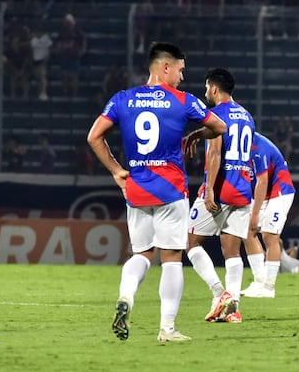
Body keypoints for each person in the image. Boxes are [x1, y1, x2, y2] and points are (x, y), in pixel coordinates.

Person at [86, 41, 226, 343]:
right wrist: (197, 133)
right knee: (172, 257)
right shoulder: (183, 100)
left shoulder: (123, 99)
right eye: (180, 69)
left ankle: (126, 297)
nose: (182, 77)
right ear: (165, 67)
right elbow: (220, 127)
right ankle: (167, 328)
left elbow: (94, 136)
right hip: (171, 190)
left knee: (142, 254)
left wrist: (115, 170)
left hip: (136, 188)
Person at [182, 68, 255, 324]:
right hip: (243, 189)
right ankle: (232, 307)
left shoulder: (213, 114)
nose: (205, 93)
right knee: (232, 252)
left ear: (213, 88)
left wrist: (210, 188)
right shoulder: (246, 115)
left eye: (206, 88)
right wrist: (197, 134)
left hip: (220, 189)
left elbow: (215, 153)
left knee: (190, 242)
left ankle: (218, 293)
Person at [241, 132, 296, 299]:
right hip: (262, 194)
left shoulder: (259, 148)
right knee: (247, 233)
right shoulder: (238, 144)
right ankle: (258, 282)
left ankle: (269, 287)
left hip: (280, 192)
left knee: (270, 236)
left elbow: (262, 181)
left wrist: (255, 214)